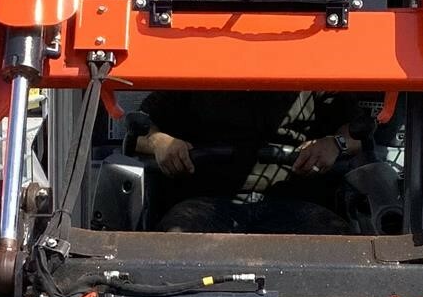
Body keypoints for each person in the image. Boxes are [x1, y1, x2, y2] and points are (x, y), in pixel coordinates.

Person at [126, 88, 374, 232]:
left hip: (296, 201)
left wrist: (334, 144)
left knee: (339, 241)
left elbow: (359, 134)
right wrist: (160, 142)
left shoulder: (313, 76)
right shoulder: (197, 71)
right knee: (171, 242)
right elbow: (137, 129)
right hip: (207, 201)